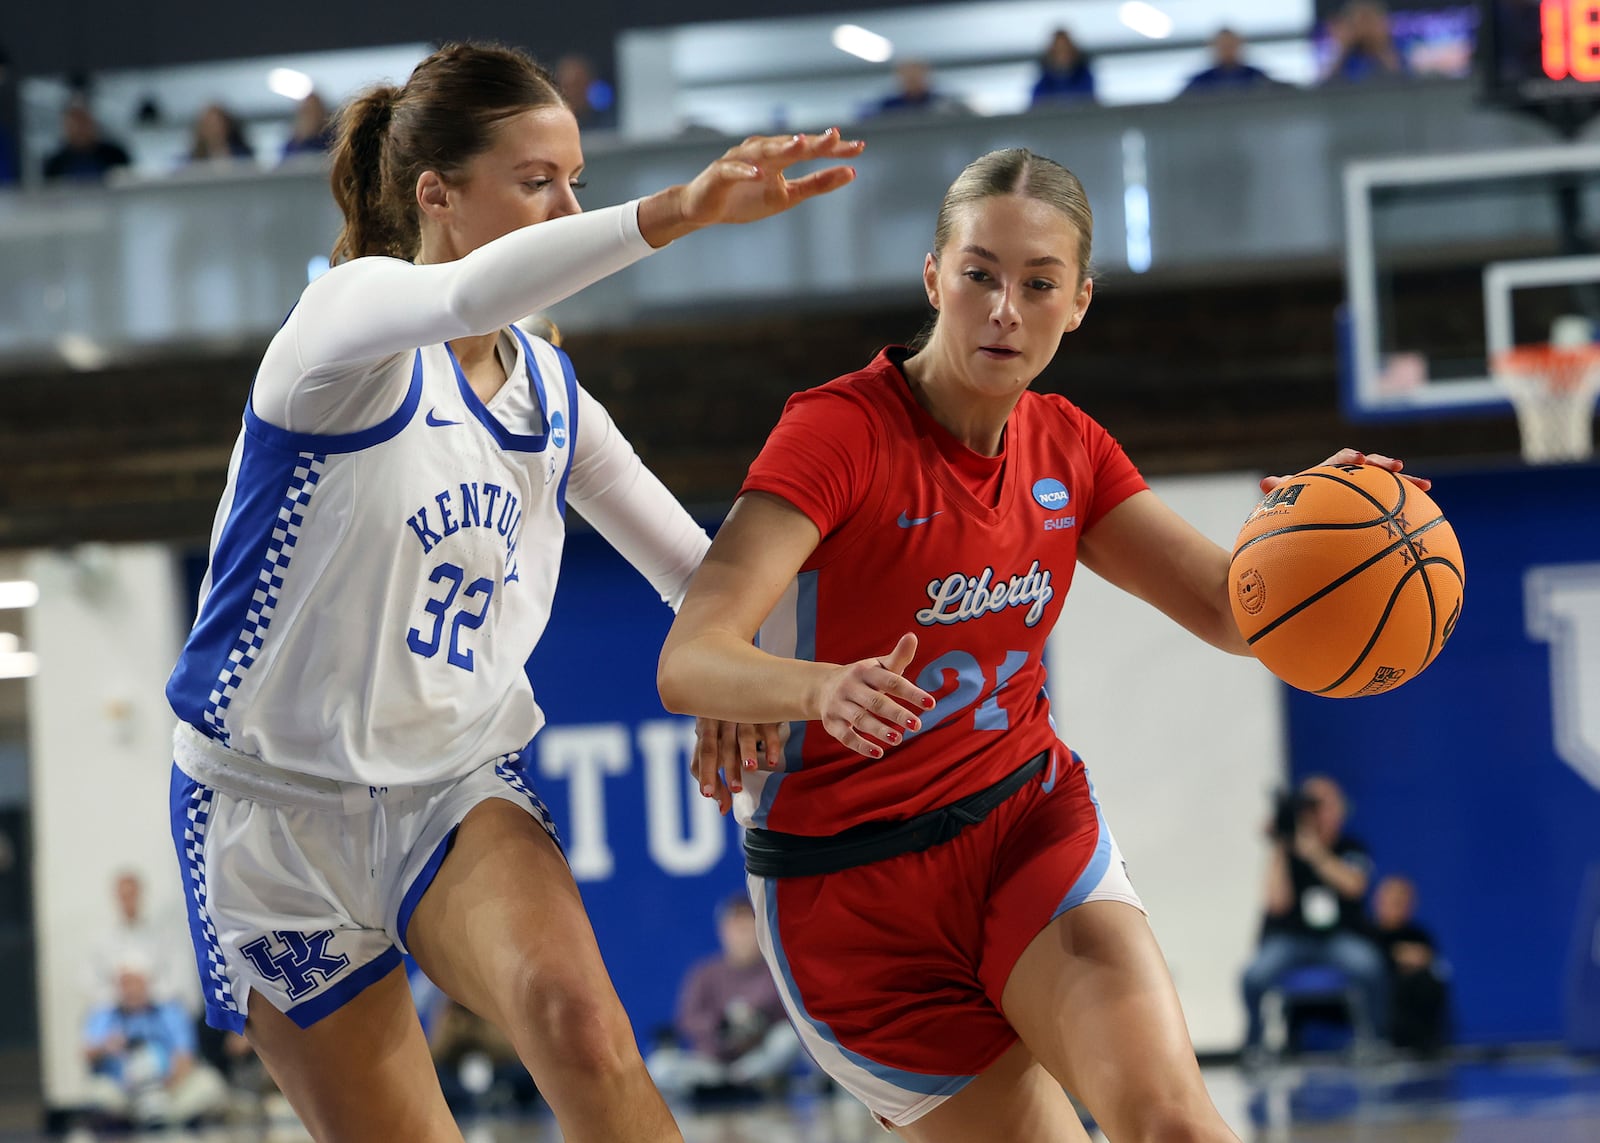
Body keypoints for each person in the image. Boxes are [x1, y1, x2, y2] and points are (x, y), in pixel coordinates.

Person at [162, 40, 860, 1143]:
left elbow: (699, 571)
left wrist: (750, 671)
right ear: (436, 195)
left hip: (449, 787)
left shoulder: (549, 393)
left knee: (582, 1027)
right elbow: (476, 288)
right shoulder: (342, 328)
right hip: (266, 816)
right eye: (539, 182)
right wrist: (678, 209)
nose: (568, 205)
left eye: (576, 179)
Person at [656, 146, 1429, 1139]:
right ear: (933, 275)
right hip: (846, 898)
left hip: (1024, 826)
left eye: (1037, 284)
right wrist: (816, 688)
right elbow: (691, 657)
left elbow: (1235, 615)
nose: (1004, 310)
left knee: (1173, 1124)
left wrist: (1313, 535)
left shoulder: (1069, 445)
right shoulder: (838, 433)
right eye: (978, 274)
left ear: (1079, 303)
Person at [1240, 775, 1390, 1056]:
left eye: (1324, 805)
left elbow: (1354, 887)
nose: (1318, 813)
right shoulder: (1288, 850)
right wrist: (1280, 846)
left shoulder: (1350, 848)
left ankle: (1376, 1042)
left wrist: (1317, 854)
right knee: (1253, 976)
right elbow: (1276, 903)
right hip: (1292, 939)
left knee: (1370, 966)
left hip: (1339, 938)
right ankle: (1255, 1046)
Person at [646, 892, 801, 1099]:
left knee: (788, 1039)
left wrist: (756, 1020)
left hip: (757, 1060)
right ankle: (719, 1084)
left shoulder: (775, 971)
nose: (741, 936)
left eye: (747, 928)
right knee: (660, 1066)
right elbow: (687, 1020)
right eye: (735, 929)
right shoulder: (705, 972)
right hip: (710, 1064)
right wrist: (721, 1025)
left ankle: (745, 1079)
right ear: (723, 931)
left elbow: (790, 1020)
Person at [82, 956, 229, 1128]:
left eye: (135, 983)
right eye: (124, 984)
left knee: (209, 1083)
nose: (130, 990)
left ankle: (165, 1120)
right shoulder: (104, 1015)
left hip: (169, 1089)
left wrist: (167, 1086)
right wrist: (105, 1047)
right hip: (124, 1093)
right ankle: (138, 1122)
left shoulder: (170, 1012)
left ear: (147, 983)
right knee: (98, 1092)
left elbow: (185, 1056)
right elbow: (87, 1054)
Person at [83, 870, 194, 1012]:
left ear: (141, 895)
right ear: (116, 897)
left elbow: (178, 977)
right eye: (124, 896)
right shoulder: (101, 939)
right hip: (115, 1011)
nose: (128, 901)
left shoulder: (163, 936)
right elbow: (88, 980)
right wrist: (120, 992)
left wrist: (147, 990)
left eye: (132, 895)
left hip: (157, 1009)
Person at [1369, 874, 1450, 1054]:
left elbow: (1428, 957)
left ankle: (1428, 1043)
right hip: (1385, 992)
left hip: (1416, 987)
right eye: (1390, 901)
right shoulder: (1367, 932)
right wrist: (1397, 955)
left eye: (1401, 902)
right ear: (1377, 901)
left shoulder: (1418, 934)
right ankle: (1390, 1041)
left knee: (1429, 981)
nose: (1395, 907)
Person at [42, 100, 131, 183]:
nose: (79, 129)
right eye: (73, 124)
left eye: (83, 122)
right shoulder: (55, 164)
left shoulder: (115, 155)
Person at [1321, 1, 1405, 84]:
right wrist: (1343, 49)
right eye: (1360, 23)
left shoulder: (1401, 46)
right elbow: (1326, 87)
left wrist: (1380, 47)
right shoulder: (1348, 55)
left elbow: (1403, 80)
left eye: (1370, 22)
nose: (1365, 29)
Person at [1181, 29, 1276, 96]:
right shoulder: (1200, 82)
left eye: (1231, 45)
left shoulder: (1257, 77)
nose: (1227, 49)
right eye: (1223, 46)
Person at [869, 60, 967, 117]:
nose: (912, 79)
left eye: (916, 75)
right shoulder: (886, 107)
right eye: (907, 76)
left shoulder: (944, 103)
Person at [1030, 29, 1096, 106]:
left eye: (1066, 50)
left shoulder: (1085, 80)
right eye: (1059, 50)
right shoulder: (1042, 86)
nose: (1063, 55)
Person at [555, 55, 617, 131]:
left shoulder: (609, 124)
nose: (574, 92)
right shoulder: (554, 128)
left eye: (579, 85)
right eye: (568, 86)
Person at [188, 102, 254, 163]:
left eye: (218, 124)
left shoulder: (244, 155)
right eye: (210, 125)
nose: (214, 130)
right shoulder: (192, 160)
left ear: (227, 126)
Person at [281, 92, 335, 161]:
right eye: (306, 111)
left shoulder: (332, 140)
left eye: (314, 111)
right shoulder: (293, 143)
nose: (310, 117)